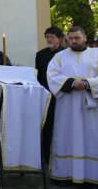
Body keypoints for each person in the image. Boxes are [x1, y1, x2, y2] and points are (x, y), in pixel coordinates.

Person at [47, 26, 98, 185]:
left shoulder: (96, 54)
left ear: (85, 37)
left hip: (89, 106)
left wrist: (87, 83)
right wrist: (71, 82)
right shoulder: (59, 57)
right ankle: (64, 174)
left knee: (90, 138)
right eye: (71, 38)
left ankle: (91, 176)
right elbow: (52, 75)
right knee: (65, 136)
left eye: (77, 38)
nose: (74, 41)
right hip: (67, 106)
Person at [35, 26, 65, 164]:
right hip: (46, 95)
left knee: (63, 126)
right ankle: (46, 157)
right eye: (47, 36)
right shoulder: (40, 54)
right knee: (47, 127)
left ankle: (63, 157)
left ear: (59, 39)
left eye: (52, 36)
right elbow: (39, 76)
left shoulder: (66, 54)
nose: (49, 39)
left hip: (63, 96)